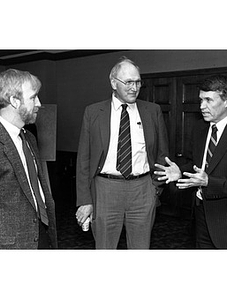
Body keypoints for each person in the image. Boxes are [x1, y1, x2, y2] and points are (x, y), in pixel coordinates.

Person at [154, 75, 227, 249]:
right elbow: (197, 165)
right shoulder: (199, 128)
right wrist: (180, 172)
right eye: (201, 100)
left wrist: (208, 182)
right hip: (200, 217)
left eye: (208, 100)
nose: (202, 106)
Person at [76, 56, 169, 249]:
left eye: (137, 82)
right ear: (113, 83)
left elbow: (162, 153)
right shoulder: (93, 112)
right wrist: (84, 200)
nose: (134, 88)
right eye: (128, 82)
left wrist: (155, 189)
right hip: (105, 189)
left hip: (143, 190)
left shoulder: (153, 111)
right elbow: (83, 160)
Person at [0, 69, 57, 249]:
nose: (39, 104)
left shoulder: (29, 138)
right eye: (33, 97)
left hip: (38, 236)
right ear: (14, 101)